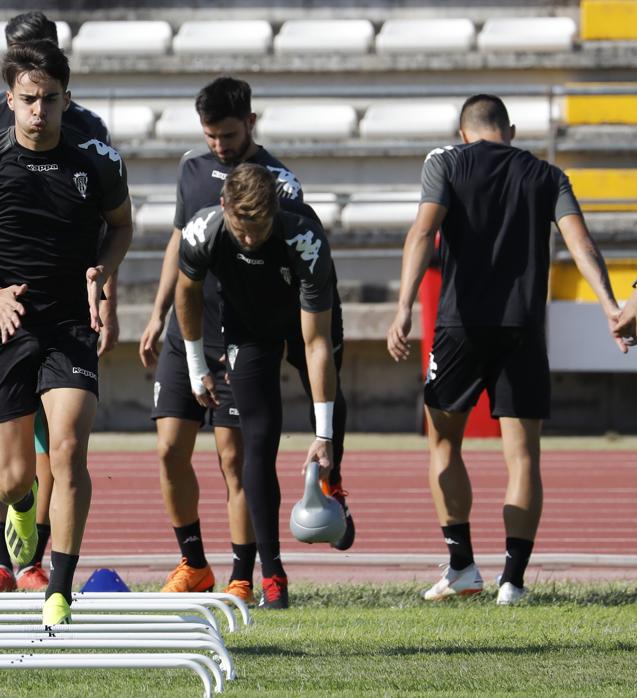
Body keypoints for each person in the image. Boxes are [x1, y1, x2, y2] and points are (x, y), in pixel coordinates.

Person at [387, 94, 625, 605]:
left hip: (459, 326)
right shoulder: (547, 175)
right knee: (523, 456)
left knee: (443, 442)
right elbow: (582, 244)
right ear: (510, 130)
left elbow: (423, 231)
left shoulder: (447, 163)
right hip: (522, 327)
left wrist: (403, 307)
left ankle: (462, 567)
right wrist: (610, 306)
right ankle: (512, 581)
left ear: (463, 130)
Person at [0, 40, 132, 625]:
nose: (39, 111)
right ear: (10, 100)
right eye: (28, 100)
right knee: (13, 473)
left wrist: (104, 267)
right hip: (2, 322)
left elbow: (120, 226)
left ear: (66, 99)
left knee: (69, 447)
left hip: (69, 321)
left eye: (50, 99)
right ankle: (21, 507)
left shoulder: (96, 158)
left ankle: (60, 590)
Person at [176, 164, 341, 610]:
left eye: (259, 229)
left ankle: (334, 481)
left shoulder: (303, 239)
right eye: (241, 229)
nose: (249, 239)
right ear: (224, 207)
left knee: (330, 403)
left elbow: (317, 342)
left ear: (275, 212)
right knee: (259, 441)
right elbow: (186, 293)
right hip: (249, 330)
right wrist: (196, 367)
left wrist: (323, 434)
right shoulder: (203, 231)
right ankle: (273, 574)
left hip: (307, 314)